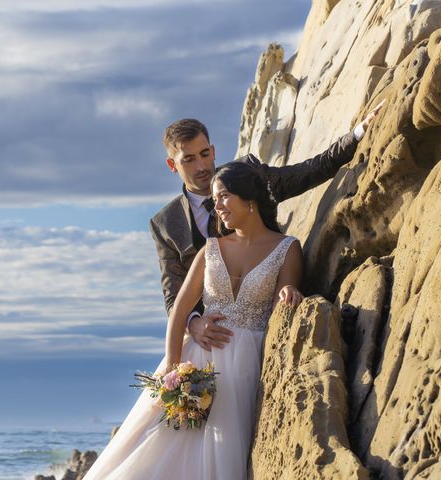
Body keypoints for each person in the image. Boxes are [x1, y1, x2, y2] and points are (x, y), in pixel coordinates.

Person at [84, 161, 303, 480]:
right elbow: (179, 310)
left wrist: (289, 292)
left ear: (249, 198)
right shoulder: (210, 250)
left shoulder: (287, 248)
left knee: (218, 454)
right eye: (215, 200)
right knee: (157, 447)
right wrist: (173, 371)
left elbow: (286, 290)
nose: (218, 206)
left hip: (245, 366)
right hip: (195, 361)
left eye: (224, 196)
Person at [150, 103, 383, 352]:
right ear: (172, 165)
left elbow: (308, 171)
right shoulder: (166, 223)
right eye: (188, 159)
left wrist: (358, 133)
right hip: (206, 342)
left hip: (269, 324)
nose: (201, 167)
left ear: (214, 150)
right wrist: (193, 325)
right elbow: (174, 296)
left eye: (205, 154)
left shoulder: (247, 176)